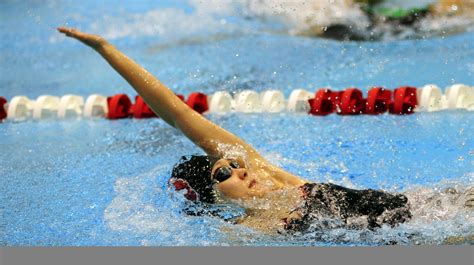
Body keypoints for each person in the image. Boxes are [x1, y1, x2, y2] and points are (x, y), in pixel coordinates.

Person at [57, 27, 411, 234]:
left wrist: (105, 48)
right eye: (224, 172)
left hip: (423, 212)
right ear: (213, 197)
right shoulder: (244, 234)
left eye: (231, 164)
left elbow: (177, 113)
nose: (240, 168)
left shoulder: (274, 178)